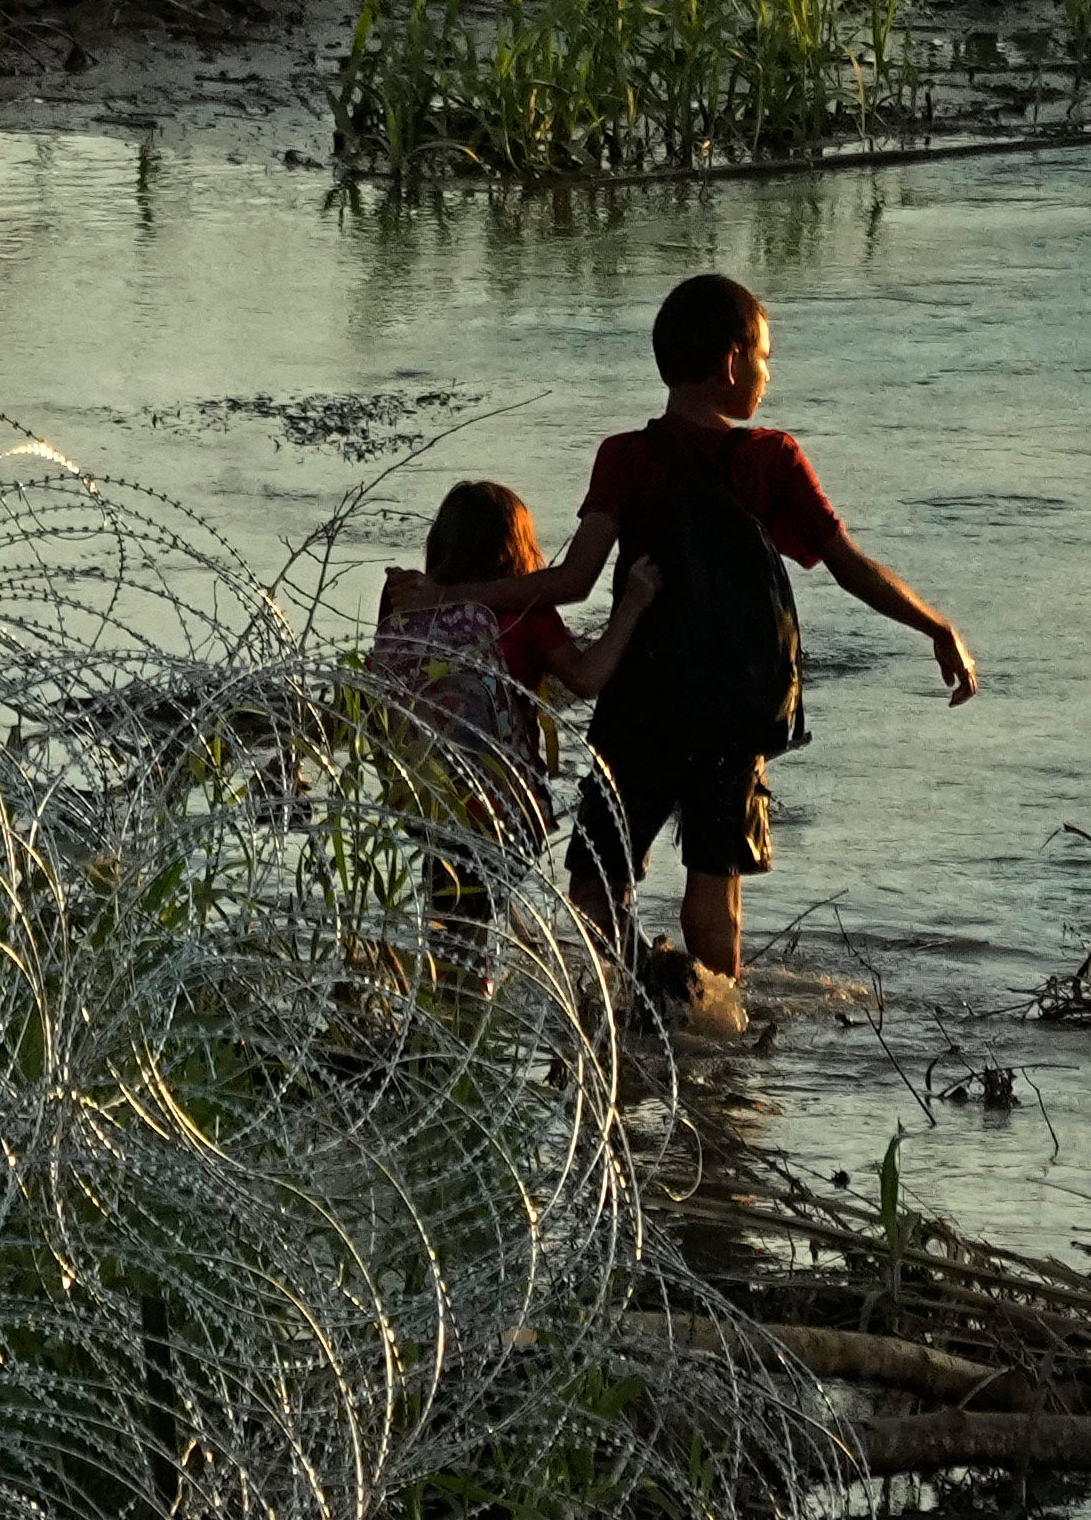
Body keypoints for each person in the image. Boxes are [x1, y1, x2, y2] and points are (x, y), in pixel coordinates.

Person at [519, 272, 977, 1035]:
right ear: (731, 363)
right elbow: (849, 564)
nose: (766, 375)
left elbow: (571, 581)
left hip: (641, 702)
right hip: (733, 712)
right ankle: (714, 1048)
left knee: (596, 884)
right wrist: (936, 627)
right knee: (714, 891)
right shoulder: (771, 459)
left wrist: (450, 595)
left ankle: (625, 1008)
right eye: (763, 358)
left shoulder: (625, 457)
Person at [367, 477, 658, 970]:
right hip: (504, 804)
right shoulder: (526, 612)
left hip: (428, 796)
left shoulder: (406, 602)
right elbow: (587, 679)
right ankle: (466, 1018)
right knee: (473, 925)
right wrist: (633, 604)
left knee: (451, 916)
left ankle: (445, 1013)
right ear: (517, 546)